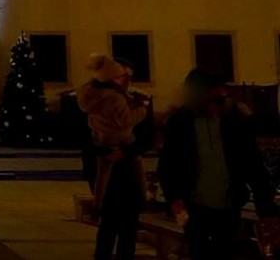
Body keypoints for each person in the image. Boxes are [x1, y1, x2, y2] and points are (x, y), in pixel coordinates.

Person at [157, 68, 279, 259]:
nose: (216, 105)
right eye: (211, 100)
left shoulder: (234, 121)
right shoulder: (180, 123)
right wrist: (174, 197)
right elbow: (168, 164)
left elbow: (252, 163)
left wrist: (265, 205)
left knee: (226, 252)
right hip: (195, 206)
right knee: (200, 253)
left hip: (228, 205)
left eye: (220, 99)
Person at [77, 53, 150, 260]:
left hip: (127, 168)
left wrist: (125, 151)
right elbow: (87, 142)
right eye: (122, 76)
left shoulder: (126, 99)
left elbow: (144, 140)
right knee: (109, 226)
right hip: (110, 169)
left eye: (129, 76)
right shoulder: (109, 100)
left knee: (129, 226)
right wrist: (106, 152)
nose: (126, 80)